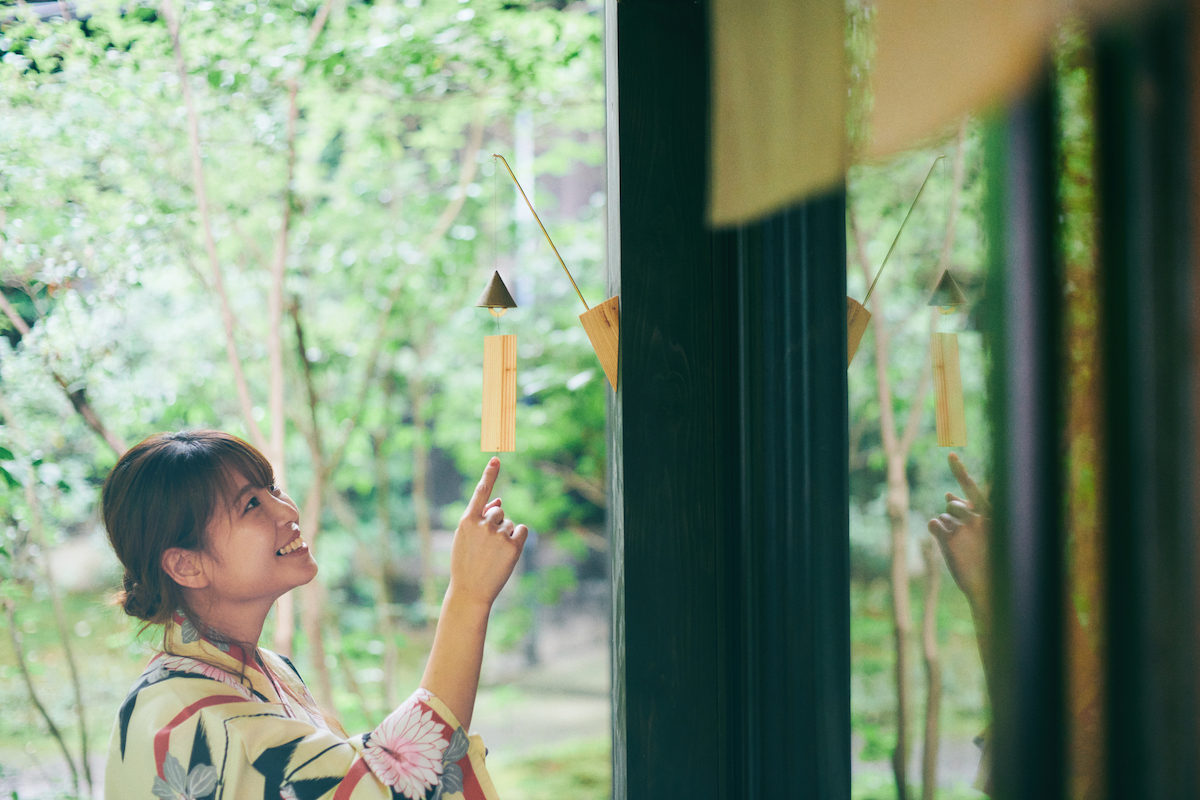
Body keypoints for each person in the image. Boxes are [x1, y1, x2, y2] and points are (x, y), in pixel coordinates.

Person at [102, 430, 527, 800]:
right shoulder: (189, 714)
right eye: (251, 504)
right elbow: (378, 789)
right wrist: (468, 596)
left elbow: (341, 771)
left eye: (272, 488)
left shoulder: (265, 669)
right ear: (185, 566)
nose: (287, 511)